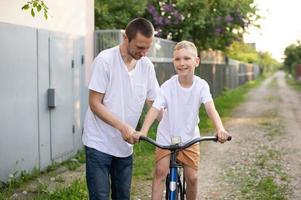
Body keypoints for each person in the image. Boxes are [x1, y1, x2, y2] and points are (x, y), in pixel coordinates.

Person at [135, 40, 230, 200]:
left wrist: (220, 128)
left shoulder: (201, 86)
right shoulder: (167, 86)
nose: (182, 63)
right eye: (177, 59)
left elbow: (210, 108)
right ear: (173, 62)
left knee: (192, 178)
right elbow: (154, 109)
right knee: (160, 172)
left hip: (190, 138)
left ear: (196, 61)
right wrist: (143, 131)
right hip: (167, 137)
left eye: (187, 58)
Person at [82, 18, 159, 200]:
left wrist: (173, 125)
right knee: (100, 197)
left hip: (125, 148)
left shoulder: (146, 65)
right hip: (98, 143)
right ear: (126, 38)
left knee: (123, 196)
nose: (144, 52)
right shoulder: (105, 60)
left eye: (147, 47)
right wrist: (123, 127)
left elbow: (155, 102)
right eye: (140, 47)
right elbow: (94, 103)